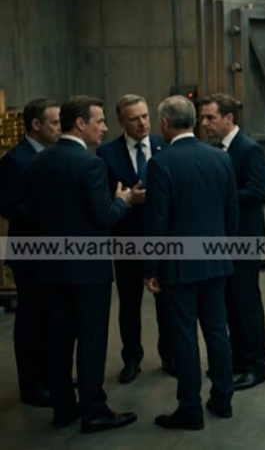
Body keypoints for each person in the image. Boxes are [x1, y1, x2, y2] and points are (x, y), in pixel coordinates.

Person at [27, 95, 136, 433]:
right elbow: (104, 216)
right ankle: (94, 411)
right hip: (88, 270)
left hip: (51, 266)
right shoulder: (91, 164)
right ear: (80, 123)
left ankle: (63, 409)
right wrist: (122, 201)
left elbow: (35, 214)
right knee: (91, 341)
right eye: (99, 121)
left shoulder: (40, 161)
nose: (104, 128)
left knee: (58, 339)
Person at [144, 95, 238, 430]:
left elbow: (157, 220)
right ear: (194, 121)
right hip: (215, 261)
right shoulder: (220, 158)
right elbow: (231, 212)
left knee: (184, 336)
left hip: (178, 266)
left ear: (164, 123)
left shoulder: (161, 163)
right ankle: (223, 399)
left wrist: (150, 268)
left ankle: (190, 409)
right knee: (217, 331)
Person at [96, 94, 172, 383]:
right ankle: (131, 359)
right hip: (126, 238)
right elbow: (102, 196)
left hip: (162, 240)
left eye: (145, 116)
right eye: (134, 119)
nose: (142, 123)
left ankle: (169, 356)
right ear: (121, 122)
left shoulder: (165, 146)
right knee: (129, 303)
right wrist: (127, 200)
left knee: (166, 301)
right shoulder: (107, 153)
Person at [199, 93, 265, 391]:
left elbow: (257, 192)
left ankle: (256, 366)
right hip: (226, 240)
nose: (204, 124)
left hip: (245, 239)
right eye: (203, 118)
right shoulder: (216, 150)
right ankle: (238, 359)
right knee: (229, 303)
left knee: (246, 303)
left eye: (210, 118)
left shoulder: (249, 149)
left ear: (228, 118)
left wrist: (220, 198)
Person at [0, 98, 60, 408]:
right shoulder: (15, 160)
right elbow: (8, 205)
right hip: (29, 253)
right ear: (36, 125)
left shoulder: (53, 156)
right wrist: (49, 214)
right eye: (55, 123)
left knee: (52, 319)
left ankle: (53, 377)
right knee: (32, 321)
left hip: (53, 252)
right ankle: (33, 386)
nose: (61, 128)